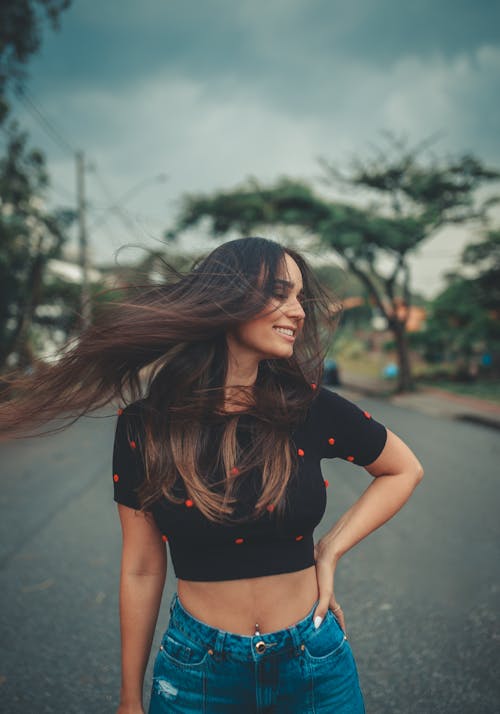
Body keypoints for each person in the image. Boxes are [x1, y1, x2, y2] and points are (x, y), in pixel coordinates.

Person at [0, 236, 423, 713]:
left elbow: (403, 469)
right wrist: (129, 698)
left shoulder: (307, 406)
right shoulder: (146, 425)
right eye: (281, 293)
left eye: (300, 298)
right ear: (230, 298)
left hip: (314, 663)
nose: (299, 311)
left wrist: (329, 551)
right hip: (198, 672)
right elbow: (140, 567)